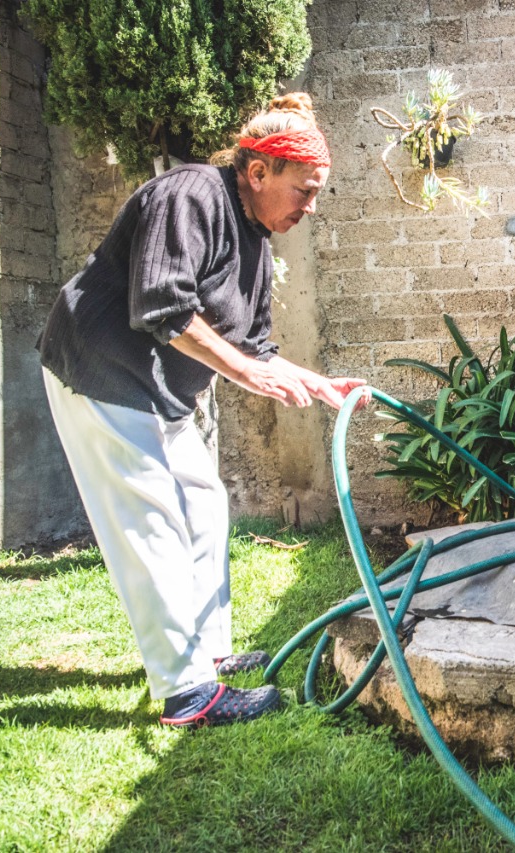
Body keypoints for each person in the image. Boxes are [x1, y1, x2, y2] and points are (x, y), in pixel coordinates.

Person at [38, 93, 364, 728]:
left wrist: (317, 384)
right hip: (102, 368)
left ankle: (210, 655)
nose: (310, 206)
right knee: (151, 521)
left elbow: (255, 346)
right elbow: (161, 306)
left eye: (316, 193)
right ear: (260, 170)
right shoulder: (188, 196)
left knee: (204, 506)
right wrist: (242, 371)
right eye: (304, 189)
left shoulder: (255, 238)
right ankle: (187, 693)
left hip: (162, 390)